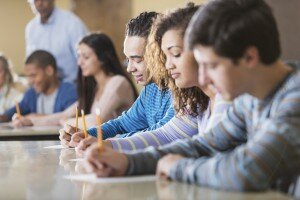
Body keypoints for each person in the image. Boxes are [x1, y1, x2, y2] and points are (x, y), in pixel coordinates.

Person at [83, 0, 300, 193]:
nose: (204, 77)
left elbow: (245, 170)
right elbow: (204, 145)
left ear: (249, 57)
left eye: (211, 65)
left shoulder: (294, 97)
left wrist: (177, 167)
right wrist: (128, 163)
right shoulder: (250, 99)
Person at [76, 3, 230, 152]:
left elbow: (197, 148)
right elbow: (165, 135)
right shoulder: (190, 98)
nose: (168, 64)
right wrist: (94, 138)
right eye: (166, 55)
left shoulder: (222, 98)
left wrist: (106, 144)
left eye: (175, 54)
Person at [59, 12, 175, 147]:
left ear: (160, 53)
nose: (130, 68)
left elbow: (159, 134)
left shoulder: (181, 91)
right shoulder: (151, 89)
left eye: (137, 60)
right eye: (128, 60)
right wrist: (86, 135)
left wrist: (104, 142)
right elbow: (121, 124)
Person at [23, 33, 138, 127]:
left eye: (86, 57)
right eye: (79, 56)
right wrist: (30, 120)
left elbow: (96, 121)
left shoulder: (118, 82)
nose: (79, 62)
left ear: (103, 58)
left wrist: (65, 121)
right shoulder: (95, 87)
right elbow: (64, 114)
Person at [0, 50, 77, 124]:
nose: (29, 81)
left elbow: (70, 117)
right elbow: (10, 113)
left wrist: (32, 118)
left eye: (33, 75)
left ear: (49, 71)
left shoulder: (69, 91)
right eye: (28, 77)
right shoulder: (32, 94)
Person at [26, 0, 88, 82]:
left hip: (71, 85)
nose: (39, 4)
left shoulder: (72, 23)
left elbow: (86, 59)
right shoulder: (31, 28)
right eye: (35, 0)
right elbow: (31, 62)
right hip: (43, 87)